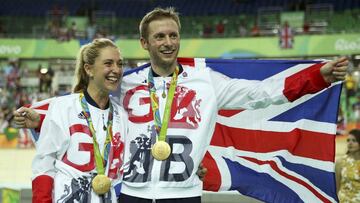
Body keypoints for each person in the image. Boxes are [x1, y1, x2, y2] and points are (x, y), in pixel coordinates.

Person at [14, 7, 348, 203]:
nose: (168, 42)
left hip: (184, 195)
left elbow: (261, 93)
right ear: (145, 43)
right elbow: (84, 100)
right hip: (133, 195)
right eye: (159, 36)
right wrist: (37, 114)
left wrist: (316, 76)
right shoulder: (126, 83)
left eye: (173, 35)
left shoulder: (206, 82)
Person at [25, 38, 127, 202]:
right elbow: (44, 164)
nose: (116, 69)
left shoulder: (121, 116)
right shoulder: (62, 107)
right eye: (108, 63)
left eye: (120, 64)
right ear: (89, 69)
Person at [335, 129, 360, 203]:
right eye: (348, 140)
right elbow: (337, 187)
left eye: (354, 140)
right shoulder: (340, 162)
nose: (350, 143)